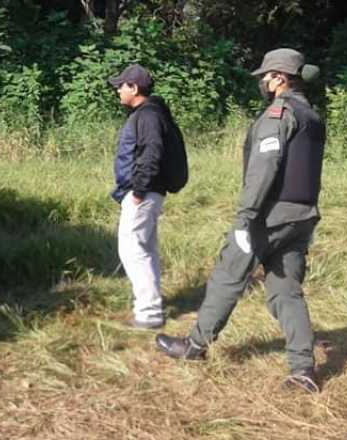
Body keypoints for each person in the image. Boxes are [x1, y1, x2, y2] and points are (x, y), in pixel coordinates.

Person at [154, 49, 326, 393]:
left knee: (227, 277)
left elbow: (265, 169)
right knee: (286, 292)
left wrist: (246, 219)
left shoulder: (278, 114)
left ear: (279, 78)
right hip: (302, 218)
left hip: (269, 216)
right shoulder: (312, 116)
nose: (262, 82)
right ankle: (303, 368)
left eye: (266, 76)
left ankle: (195, 346)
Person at [108, 64, 189, 330]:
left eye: (121, 85)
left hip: (142, 193)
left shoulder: (147, 116)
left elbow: (151, 152)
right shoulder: (150, 113)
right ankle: (151, 305)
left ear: (134, 88)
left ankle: (149, 312)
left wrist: (139, 191)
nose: (118, 90)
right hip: (148, 192)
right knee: (145, 249)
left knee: (132, 250)